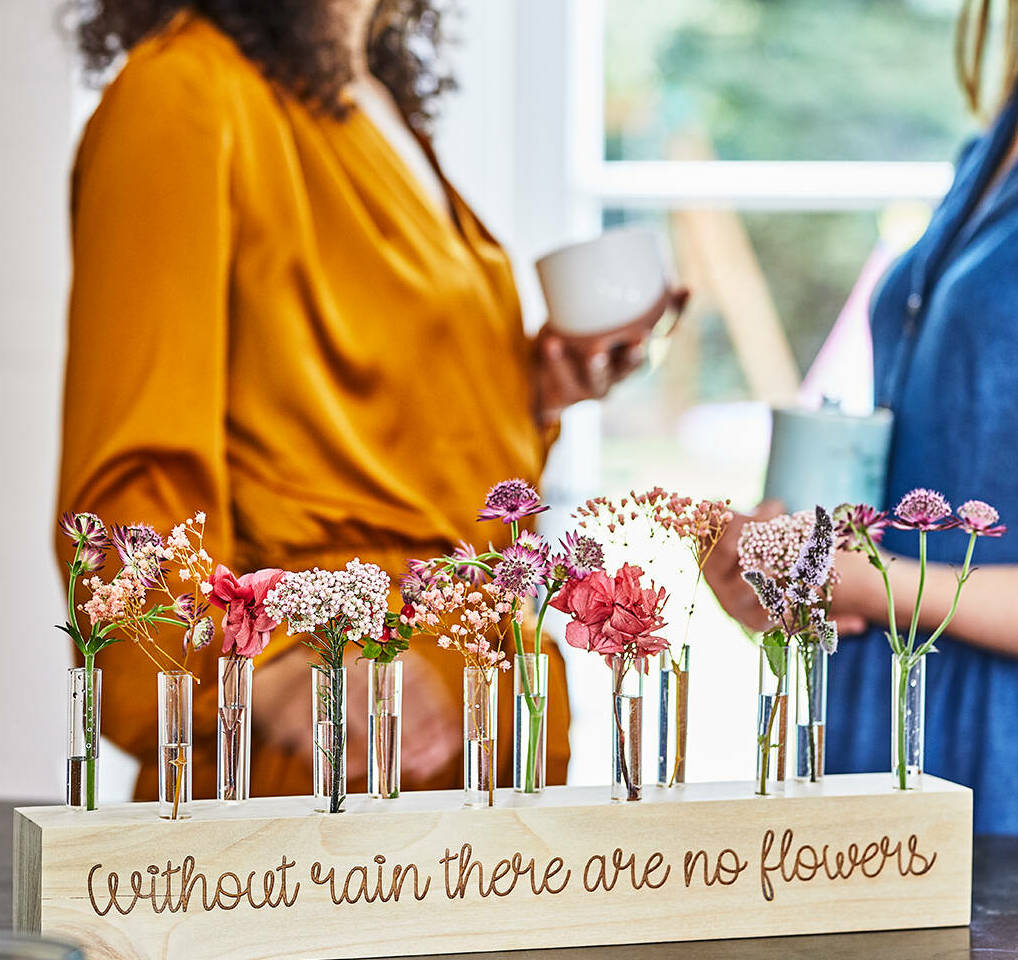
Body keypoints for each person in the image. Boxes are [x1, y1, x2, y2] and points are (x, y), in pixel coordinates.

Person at [58, 0, 682, 800]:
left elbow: (390, 438)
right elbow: (129, 472)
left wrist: (538, 395)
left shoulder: (368, 99)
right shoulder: (183, 93)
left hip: (481, 727)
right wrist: (277, 670)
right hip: (326, 744)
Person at [706, 0, 1018, 835]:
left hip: (998, 761)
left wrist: (851, 578)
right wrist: (789, 559)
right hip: (886, 720)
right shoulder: (990, 148)